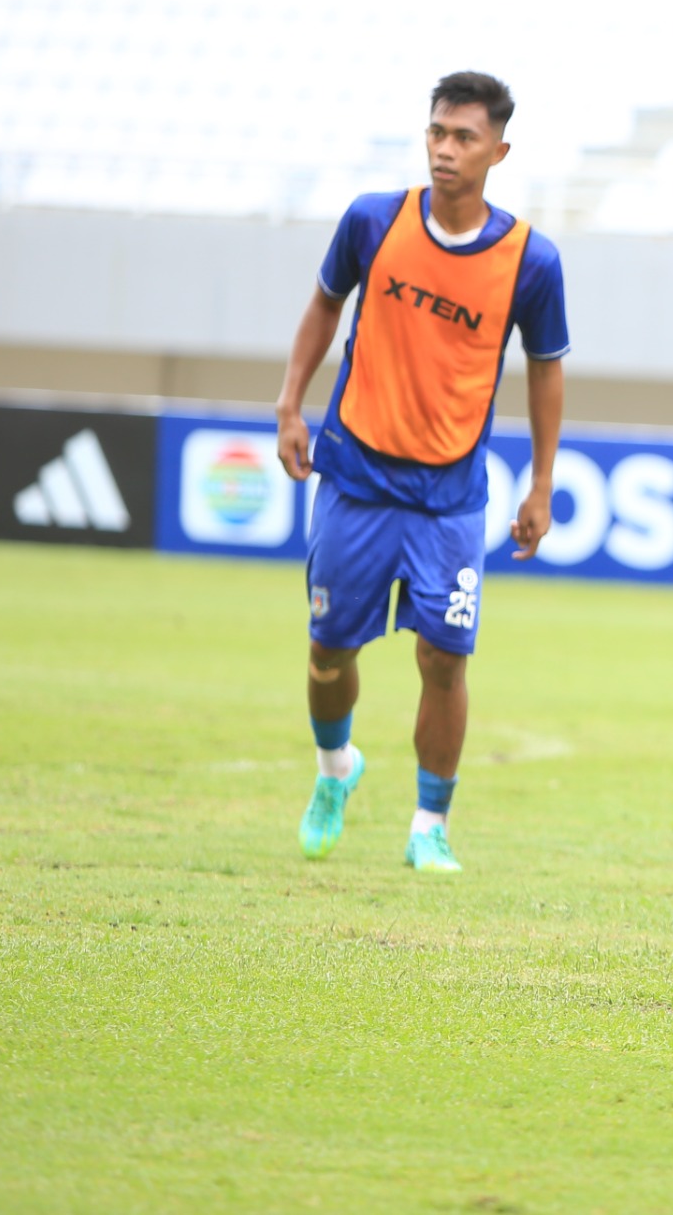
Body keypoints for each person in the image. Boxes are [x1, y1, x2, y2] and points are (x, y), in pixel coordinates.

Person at [274, 71, 570, 873]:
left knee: (444, 658)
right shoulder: (374, 221)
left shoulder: (530, 261)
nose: (445, 149)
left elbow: (546, 369)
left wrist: (542, 483)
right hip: (356, 474)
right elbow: (325, 304)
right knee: (329, 651)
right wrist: (290, 403)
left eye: (464, 137)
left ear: (497, 152)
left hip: (449, 496)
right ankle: (335, 769)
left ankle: (429, 826)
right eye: (437, 132)